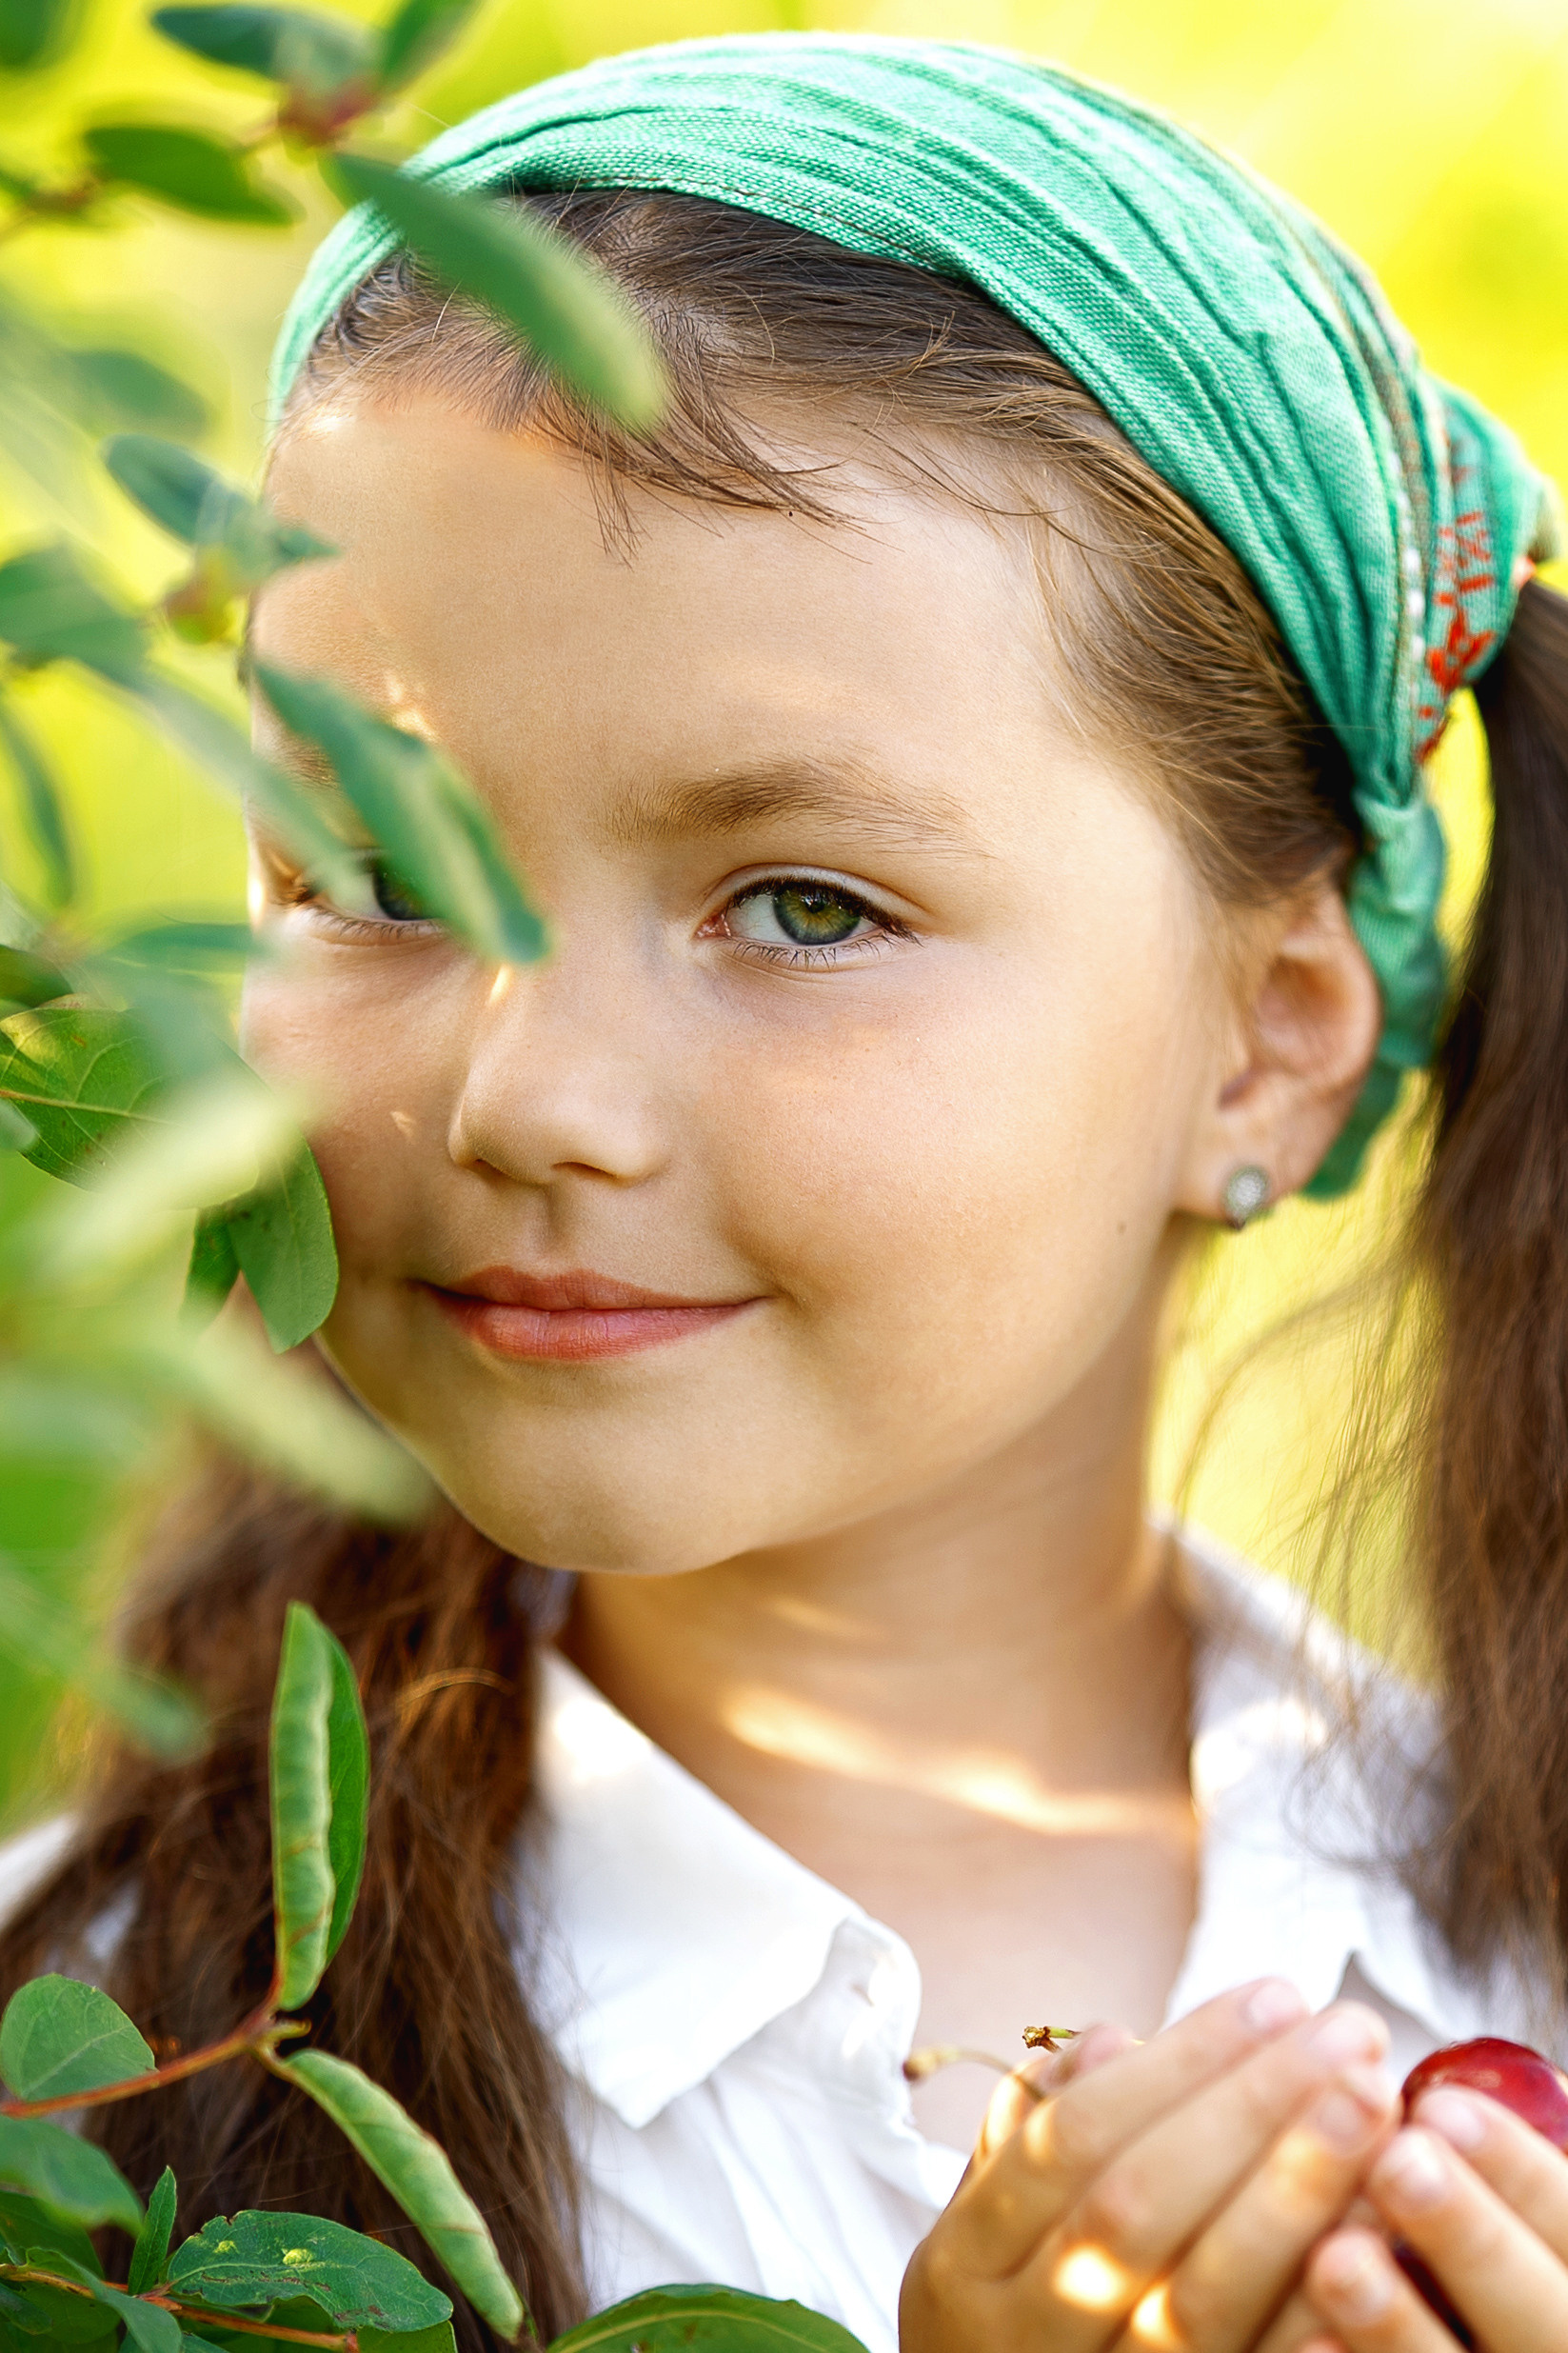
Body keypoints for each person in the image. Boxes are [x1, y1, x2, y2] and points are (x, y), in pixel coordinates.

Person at [2, 30, 1566, 2353]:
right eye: (359, 864)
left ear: (1267, 1034)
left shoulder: (1505, 1966)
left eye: (802, 905)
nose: (531, 1098)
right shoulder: (81, 2088)